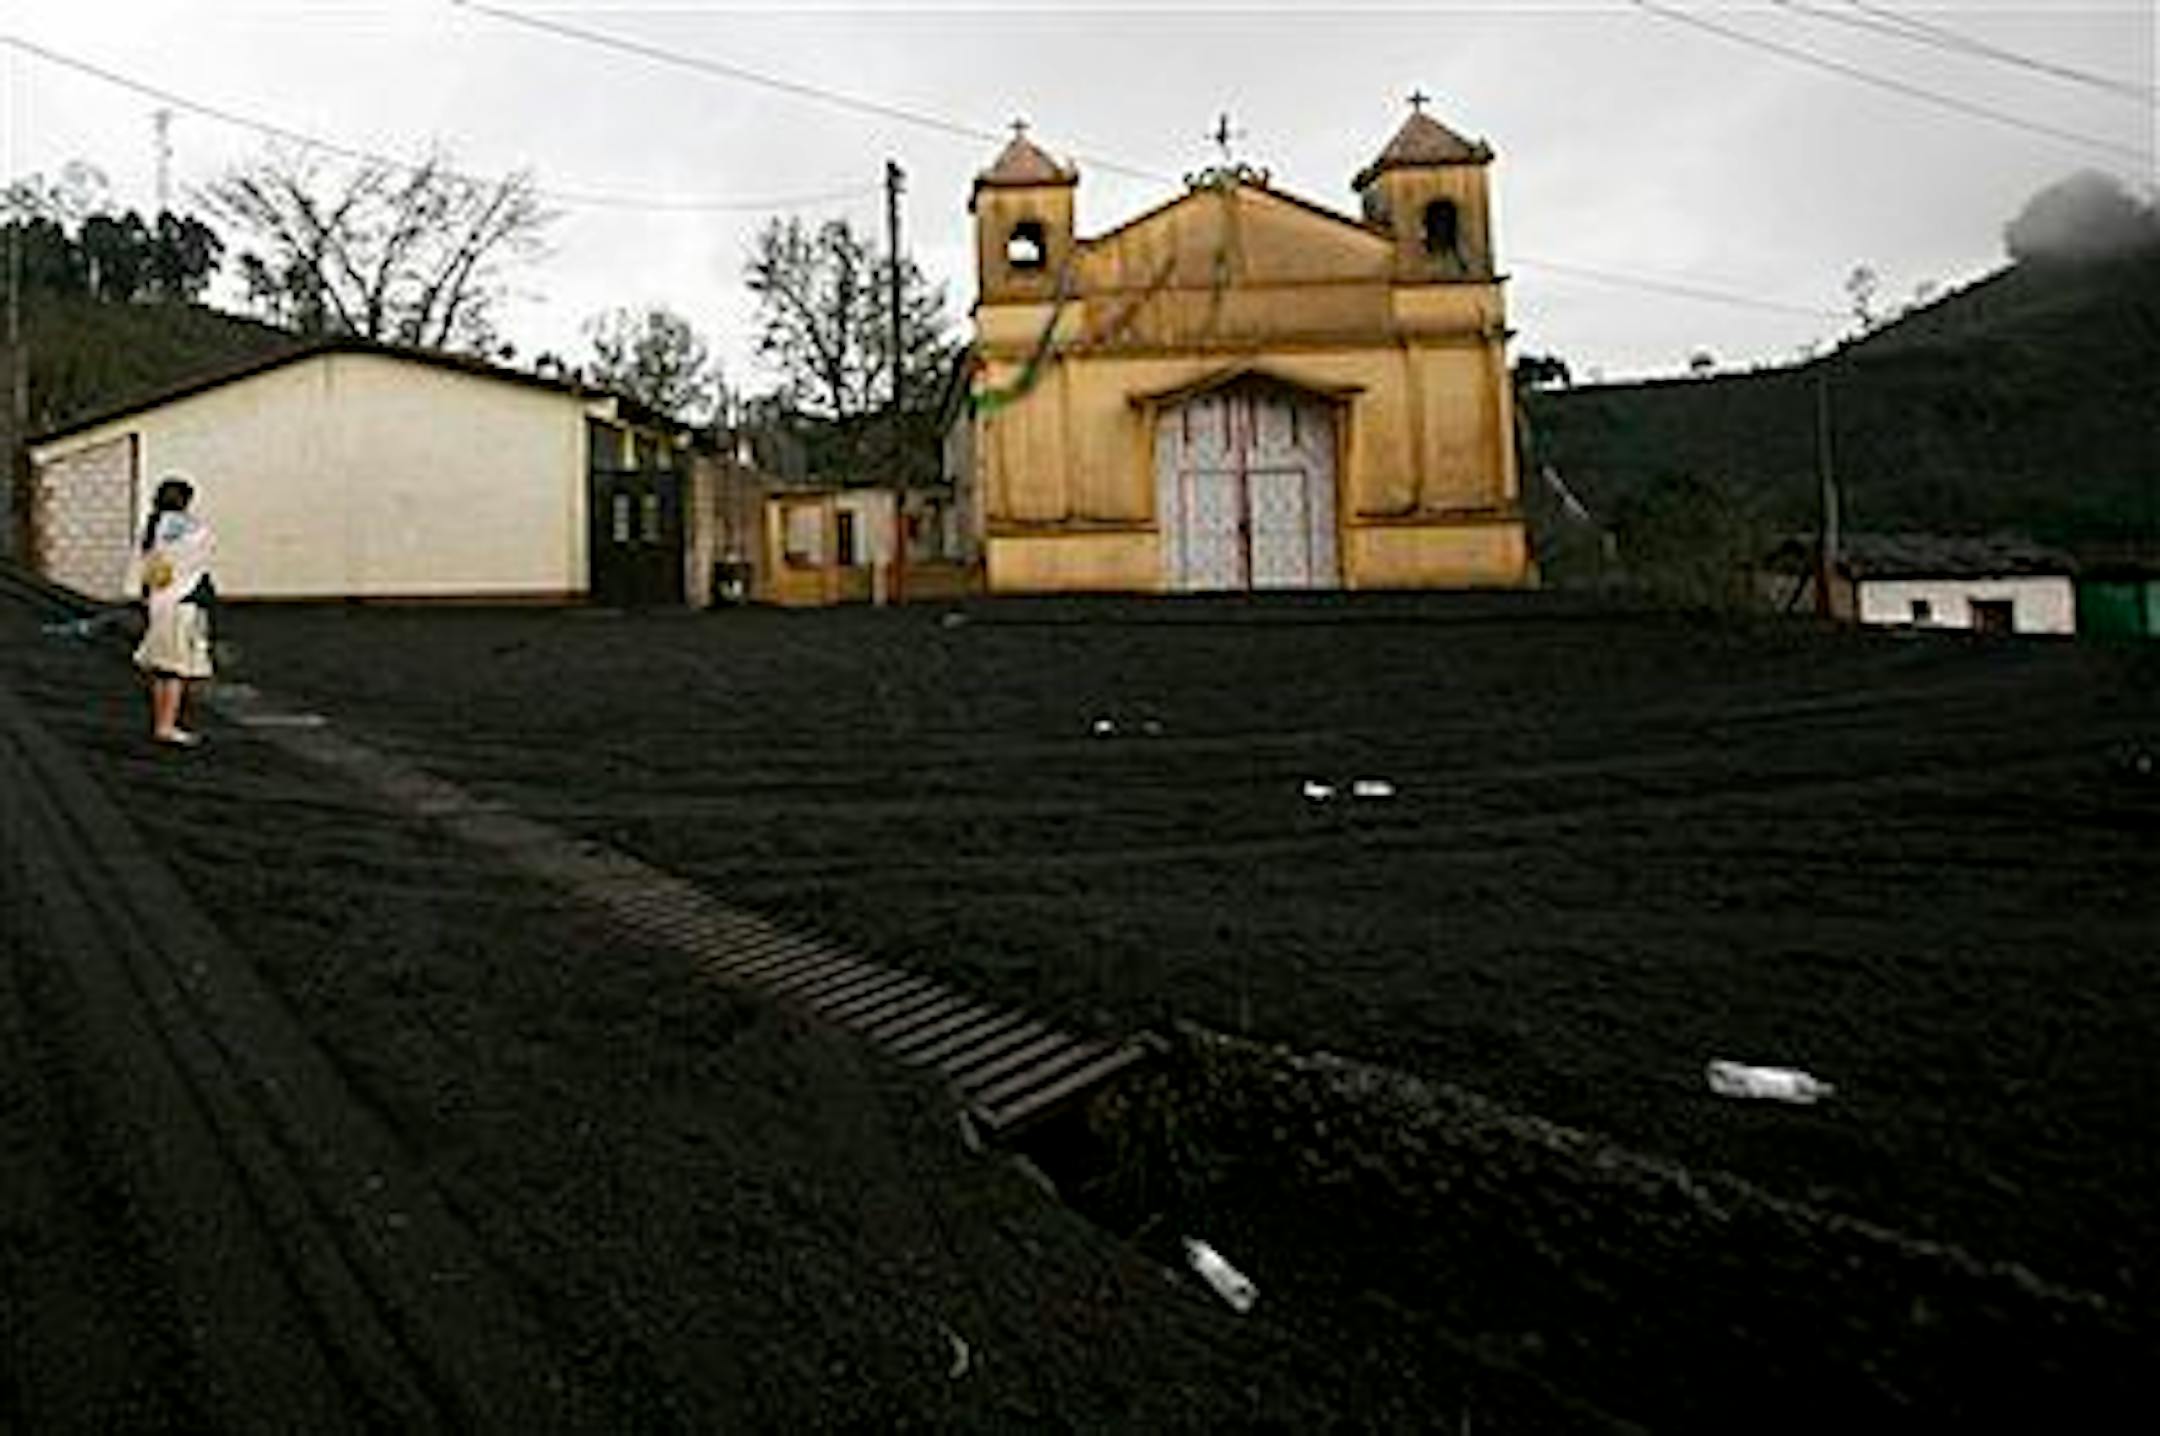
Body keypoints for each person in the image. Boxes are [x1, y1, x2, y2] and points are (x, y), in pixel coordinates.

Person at [132, 476, 217, 746]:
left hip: (159, 601)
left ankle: (161, 722)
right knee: (175, 669)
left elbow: (149, 569)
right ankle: (167, 726)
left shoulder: (152, 525)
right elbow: (201, 556)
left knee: (160, 668)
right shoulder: (190, 528)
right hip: (181, 602)